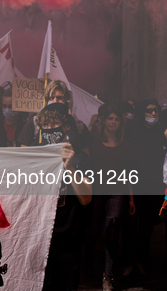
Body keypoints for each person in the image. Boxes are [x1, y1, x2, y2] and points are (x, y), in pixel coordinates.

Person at [35, 103, 92, 291]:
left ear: (66, 127)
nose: (51, 129)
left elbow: (86, 198)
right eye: (46, 126)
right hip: (40, 237)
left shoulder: (81, 159)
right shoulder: (36, 157)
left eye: (55, 124)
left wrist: (70, 168)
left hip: (69, 239)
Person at [87, 105, 134, 291]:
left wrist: (131, 198)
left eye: (116, 119)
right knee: (92, 231)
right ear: (104, 120)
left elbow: (128, 173)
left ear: (120, 122)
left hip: (117, 191)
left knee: (111, 232)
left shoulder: (124, 144)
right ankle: (87, 268)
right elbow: (81, 154)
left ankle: (107, 274)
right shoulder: (95, 141)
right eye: (110, 119)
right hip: (96, 191)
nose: (113, 122)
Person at [122, 97, 167, 278]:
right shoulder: (133, 130)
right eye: (149, 110)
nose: (153, 114)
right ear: (142, 113)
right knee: (130, 226)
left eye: (155, 110)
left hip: (154, 186)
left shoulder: (161, 132)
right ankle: (127, 263)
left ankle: (141, 261)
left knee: (147, 227)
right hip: (134, 185)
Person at [18, 80, 92, 152]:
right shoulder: (35, 123)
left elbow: (85, 154)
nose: (55, 101)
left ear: (66, 99)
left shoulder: (79, 126)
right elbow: (24, 150)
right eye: (51, 98)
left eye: (59, 98)